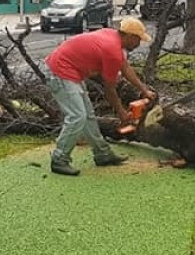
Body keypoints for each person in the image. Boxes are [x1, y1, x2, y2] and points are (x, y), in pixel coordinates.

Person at [42, 17, 157, 176]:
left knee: (88, 116)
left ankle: (102, 154)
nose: (138, 45)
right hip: (60, 71)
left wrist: (144, 90)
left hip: (72, 73)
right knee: (77, 116)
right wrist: (122, 113)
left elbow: (125, 67)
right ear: (130, 37)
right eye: (138, 40)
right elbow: (109, 89)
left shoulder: (113, 37)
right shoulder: (112, 50)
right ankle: (59, 159)